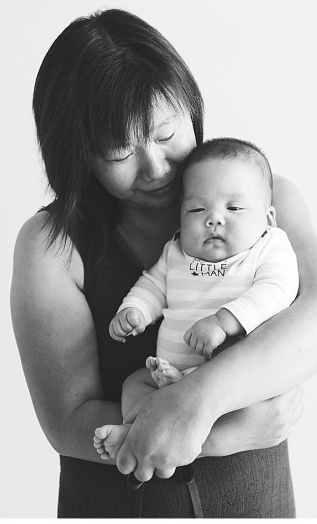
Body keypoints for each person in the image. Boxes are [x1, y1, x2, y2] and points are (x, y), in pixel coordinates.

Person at [11, 8, 317, 518]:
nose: (154, 166)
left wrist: (196, 400)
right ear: (77, 153)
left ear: (189, 107)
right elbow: (67, 421)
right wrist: (223, 432)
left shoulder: (261, 197)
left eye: (165, 133)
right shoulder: (51, 244)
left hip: (254, 502)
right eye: (119, 151)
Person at [94, 137, 299, 462]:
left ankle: (161, 439)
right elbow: (153, 285)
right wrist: (134, 310)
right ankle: (135, 431)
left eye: (234, 208)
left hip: (226, 377)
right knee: (134, 385)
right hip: (168, 371)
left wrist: (223, 321)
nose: (214, 218)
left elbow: (278, 289)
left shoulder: (267, 248)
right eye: (197, 209)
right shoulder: (176, 253)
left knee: (241, 403)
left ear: (268, 218)